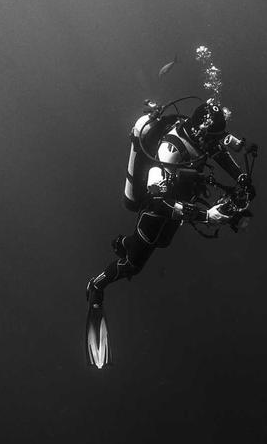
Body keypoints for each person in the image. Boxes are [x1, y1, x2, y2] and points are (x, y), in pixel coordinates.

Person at [86, 97, 255, 309]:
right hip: (155, 207)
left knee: (163, 241)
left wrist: (241, 178)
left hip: (179, 198)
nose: (216, 144)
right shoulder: (169, 150)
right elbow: (158, 204)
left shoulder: (201, 137)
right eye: (213, 139)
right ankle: (96, 286)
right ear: (201, 134)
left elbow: (218, 152)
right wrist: (206, 216)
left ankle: (125, 243)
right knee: (133, 264)